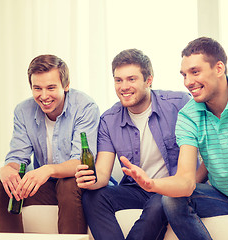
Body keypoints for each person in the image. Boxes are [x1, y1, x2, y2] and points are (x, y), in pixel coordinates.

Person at [120, 37, 228, 240]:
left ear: (219, 68)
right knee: (171, 200)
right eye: (184, 75)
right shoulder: (188, 116)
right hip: (221, 198)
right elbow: (187, 180)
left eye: (195, 72)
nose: (188, 82)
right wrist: (151, 184)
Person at [75, 48, 206, 240]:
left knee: (159, 202)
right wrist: (90, 180)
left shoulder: (179, 104)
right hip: (136, 189)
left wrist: (191, 182)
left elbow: (208, 152)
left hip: (169, 187)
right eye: (118, 80)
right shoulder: (109, 120)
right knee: (93, 197)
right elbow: (102, 173)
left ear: (149, 80)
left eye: (131, 79)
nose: (123, 86)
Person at [0, 54, 100, 234]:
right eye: (37, 88)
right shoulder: (23, 110)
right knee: (2, 186)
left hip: (78, 186)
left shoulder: (85, 106)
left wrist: (48, 169)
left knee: (68, 183)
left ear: (66, 86)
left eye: (51, 88)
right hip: (47, 185)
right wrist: (8, 169)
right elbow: (18, 156)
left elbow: (81, 162)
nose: (43, 96)